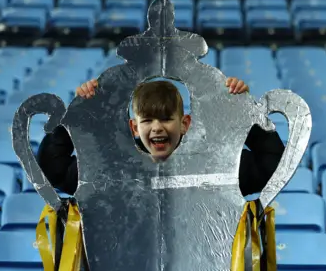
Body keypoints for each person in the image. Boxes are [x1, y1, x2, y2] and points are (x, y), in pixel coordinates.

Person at [37, 77, 285, 197]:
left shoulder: (212, 161)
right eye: (147, 121)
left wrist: (243, 111)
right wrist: (80, 112)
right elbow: (53, 171)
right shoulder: (111, 163)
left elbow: (271, 166)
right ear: (134, 128)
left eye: (166, 119)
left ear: (185, 123)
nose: (157, 128)